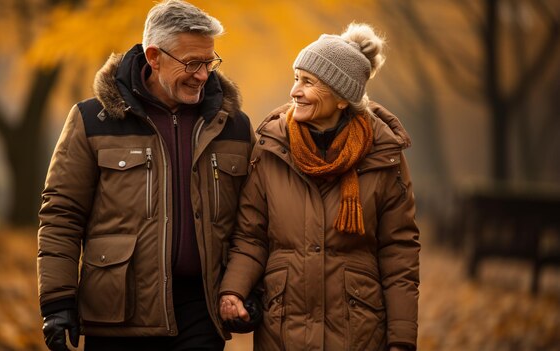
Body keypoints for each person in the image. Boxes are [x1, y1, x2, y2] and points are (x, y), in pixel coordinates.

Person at [37, 1, 254, 350]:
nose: (203, 74)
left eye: (210, 62)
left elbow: (251, 221)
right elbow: (61, 213)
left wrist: (243, 288)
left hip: (202, 313)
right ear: (154, 57)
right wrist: (58, 300)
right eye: (192, 63)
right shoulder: (92, 120)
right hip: (117, 316)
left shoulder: (234, 125)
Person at [219, 23, 420, 351]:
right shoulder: (271, 149)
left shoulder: (383, 156)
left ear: (342, 98)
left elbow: (399, 252)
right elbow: (250, 236)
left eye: (308, 82)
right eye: (296, 78)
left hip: (359, 333)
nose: (295, 91)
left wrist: (401, 339)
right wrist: (233, 290)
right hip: (283, 331)